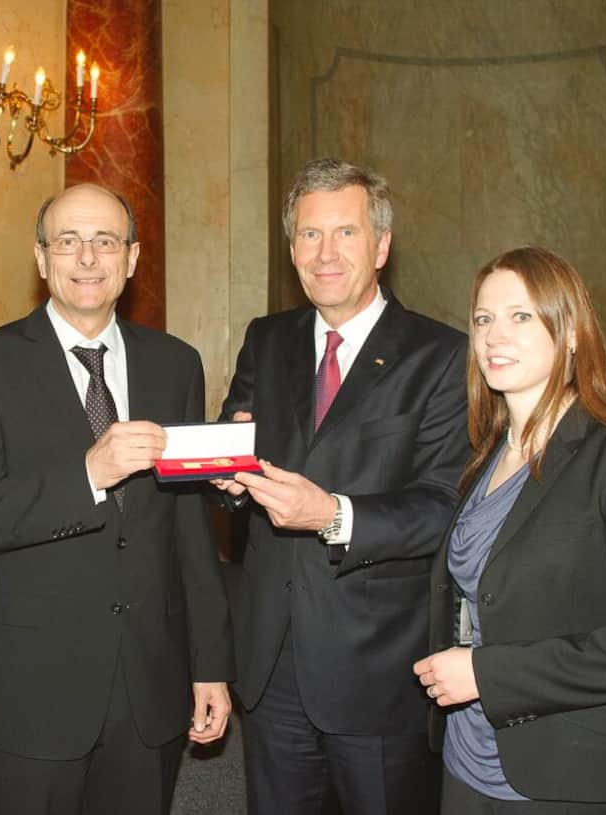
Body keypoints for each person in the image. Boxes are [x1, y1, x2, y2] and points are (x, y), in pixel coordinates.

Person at [0, 182, 235, 815]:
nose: (86, 259)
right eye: (67, 242)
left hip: (149, 682)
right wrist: (89, 474)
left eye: (104, 241)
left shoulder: (175, 363)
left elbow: (189, 529)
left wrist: (209, 663)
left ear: (130, 258)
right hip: (28, 688)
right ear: (40, 258)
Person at [214, 158, 468, 814]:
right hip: (271, 665)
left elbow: (443, 506)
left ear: (381, 245)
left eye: (345, 233)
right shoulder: (266, 339)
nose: (324, 253)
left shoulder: (440, 355)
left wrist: (333, 513)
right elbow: (232, 445)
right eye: (307, 235)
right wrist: (220, 474)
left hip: (379, 671)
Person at [412, 246, 606, 813]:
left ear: (571, 331)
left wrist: (487, 674)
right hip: (466, 759)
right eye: (483, 319)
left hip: (575, 774)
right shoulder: (487, 456)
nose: (496, 335)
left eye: (521, 315)